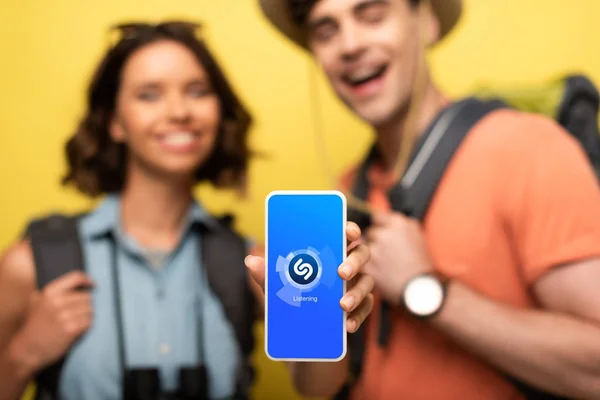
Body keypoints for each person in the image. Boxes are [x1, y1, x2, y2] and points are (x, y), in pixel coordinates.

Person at [0, 20, 373, 400]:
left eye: (197, 92)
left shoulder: (252, 264)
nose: (179, 111)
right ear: (114, 121)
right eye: (149, 95)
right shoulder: (32, 265)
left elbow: (320, 388)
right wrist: (22, 355)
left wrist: (328, 309)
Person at [256, 0, 600, 399]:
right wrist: (300, 320)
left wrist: (423, 289)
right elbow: (318, 389)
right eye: (325, 30)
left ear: (428, 22)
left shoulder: (526, 148)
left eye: (372, 14)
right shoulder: (347, 192)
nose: (349, 44)